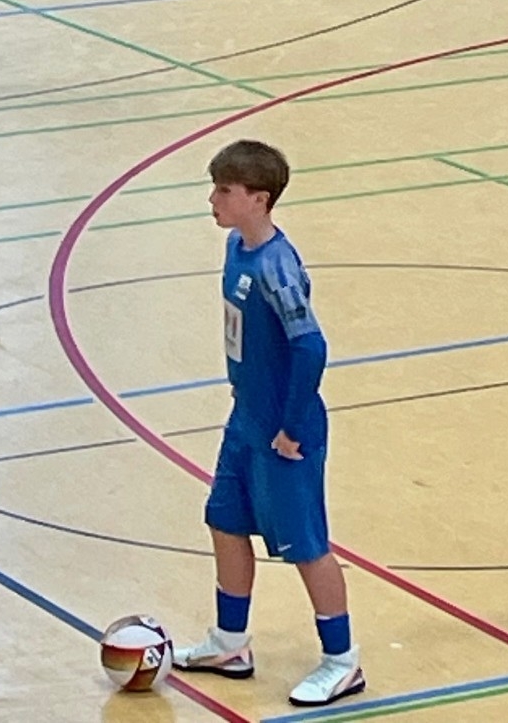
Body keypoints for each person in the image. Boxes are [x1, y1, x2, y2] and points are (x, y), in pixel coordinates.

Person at [175, 139, 365, 708]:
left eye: (224, 191)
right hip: (246, 420)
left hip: (286, 433)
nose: (213, 200)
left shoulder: (276, 268)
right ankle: (230, 644)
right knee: (224, 521)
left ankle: (343, 661)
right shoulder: (236, 246)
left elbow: (310, 347)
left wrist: (291, 426)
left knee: (306, 545)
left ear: (259, 199)